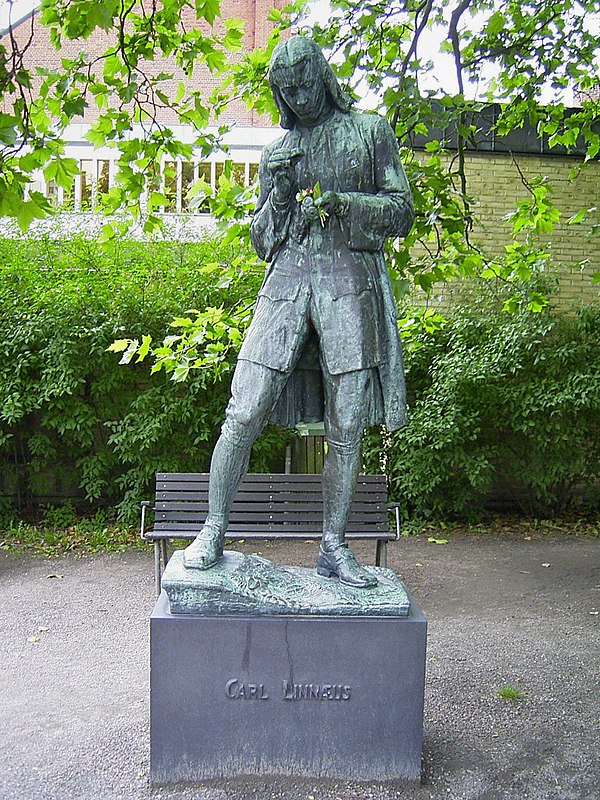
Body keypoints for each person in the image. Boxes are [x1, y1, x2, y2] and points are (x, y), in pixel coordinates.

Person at [183, 36, 414, 588]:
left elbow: (401, 210)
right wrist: (281, 194)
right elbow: (263, 241)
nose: (300, 97)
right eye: (287, 90)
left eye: (306, 84)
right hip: (287, 284)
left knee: (348, 423)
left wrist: (344, 203)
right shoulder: (276, 152)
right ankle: (213, 527)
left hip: (350, 285)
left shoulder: (369, 131)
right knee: (244, 409)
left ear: (323, 78)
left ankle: (333, 545)